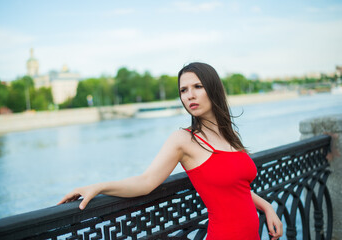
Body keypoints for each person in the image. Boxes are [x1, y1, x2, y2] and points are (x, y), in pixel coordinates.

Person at [58, 62, 283, 240]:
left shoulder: (228, 135)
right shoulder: (183, 139)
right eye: (183, 90)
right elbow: (146, 182)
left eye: (197, 87)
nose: (189, 95)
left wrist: (266, 206)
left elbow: (236, 188)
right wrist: (99, 186)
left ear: (213, 88)